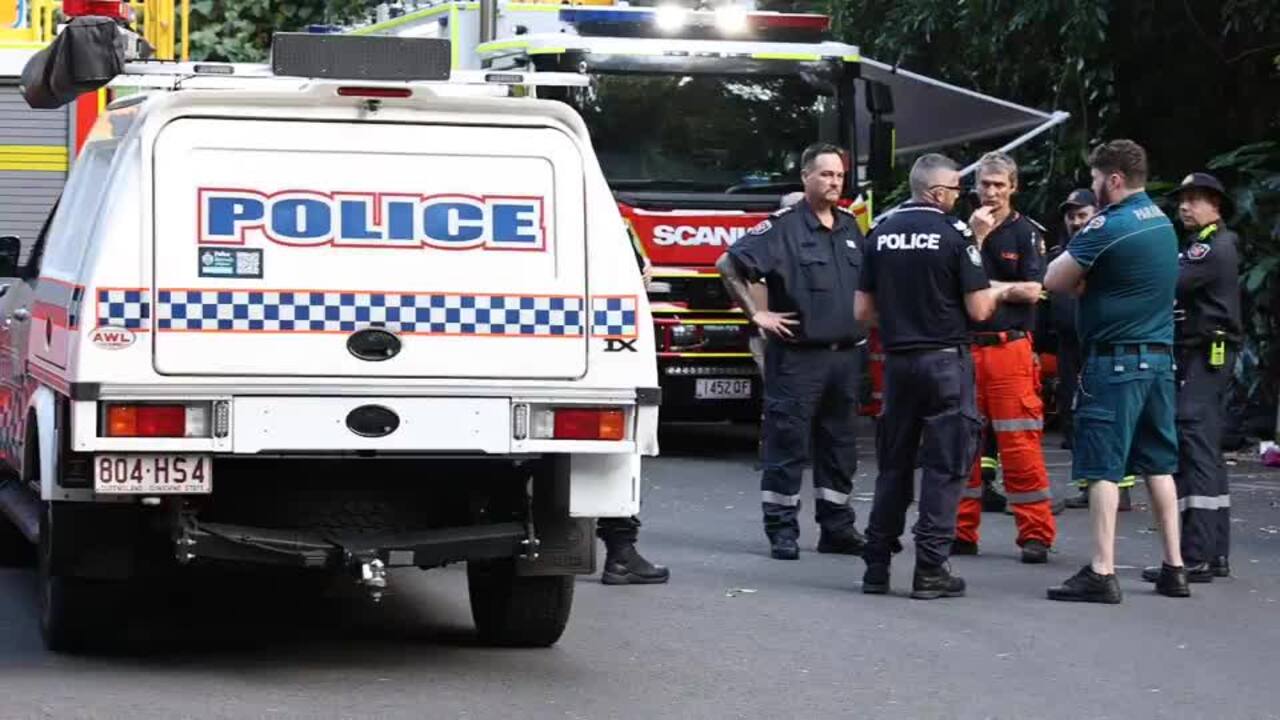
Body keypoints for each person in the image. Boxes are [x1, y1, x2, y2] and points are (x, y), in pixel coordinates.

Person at [855, 153, 1009, 599]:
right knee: (945, 467)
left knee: (894, 466)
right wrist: (1001, 290)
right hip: (945, 362)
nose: (962, 199)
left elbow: (862, 312)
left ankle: (876, 566)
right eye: (958, 191)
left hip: (899, 365)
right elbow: (979, 309)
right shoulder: (956, 234)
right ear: (937, 192)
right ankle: (929, 569)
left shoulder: (879, 233)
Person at [1044, 139, 1187, 603]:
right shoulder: (1163, 222)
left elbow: (1054, 281)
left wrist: (1086, 281)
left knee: (1104, 467)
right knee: (1159, 465)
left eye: (1095, 178)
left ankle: (1102, 571)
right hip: (1160, 361)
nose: (1092, 185)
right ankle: (1174, 567)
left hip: (1116, 362)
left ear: (1115, 180)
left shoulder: (1110, 225)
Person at [717, 143, 868, 560]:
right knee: (788, 444)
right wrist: (758, 315)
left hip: (845, 357)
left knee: (839, 448)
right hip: (799, 358)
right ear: (806, 177)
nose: (834, 182)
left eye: (838, 176)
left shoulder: (850, 226)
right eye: (825, 175)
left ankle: (837, 528)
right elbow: (728, 265)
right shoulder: (784, 227)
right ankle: (782, 530)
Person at [953, 152, 1058, 564]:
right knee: (962, 445)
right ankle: (962, 532)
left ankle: (1035, 534)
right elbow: (953, 285)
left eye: (999, 184)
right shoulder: (962, 232)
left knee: (1020, 446)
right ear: (974, 186)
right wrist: (977, 243)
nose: (991, 192)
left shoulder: (1026, 233)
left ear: (1013, 186)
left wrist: (988, 289)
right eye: (985, 183)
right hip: (967, 348)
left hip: (1010, 349)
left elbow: (1034, 290)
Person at [1140, 172, 1242, 584]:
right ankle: (1213, 552)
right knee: (1206, 448)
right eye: (1182, 199)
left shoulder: (1211, 246)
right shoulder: (1210, 243)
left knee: (1194, 440)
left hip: (1206, 352)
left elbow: (1172, 282)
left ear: (1216, 206)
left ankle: (1196, 554)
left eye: (1196, 199)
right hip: (1205, 353)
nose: (1185, 206)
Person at [1054, 191, 1140, 512]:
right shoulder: (1061, 253)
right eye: (1071, 216)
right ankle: (1088, 486)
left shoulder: (1111, 251)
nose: (1076, 222)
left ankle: (1122, 486)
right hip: (1067, 347)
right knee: (1074, 416)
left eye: (1082, 214)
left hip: (1102, 344)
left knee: (1111, 416)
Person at [596, 231, 670, 585]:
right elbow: (639, 273)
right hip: (603, 344)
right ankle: (620, 553)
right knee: (617, 455)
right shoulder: (600, 217)